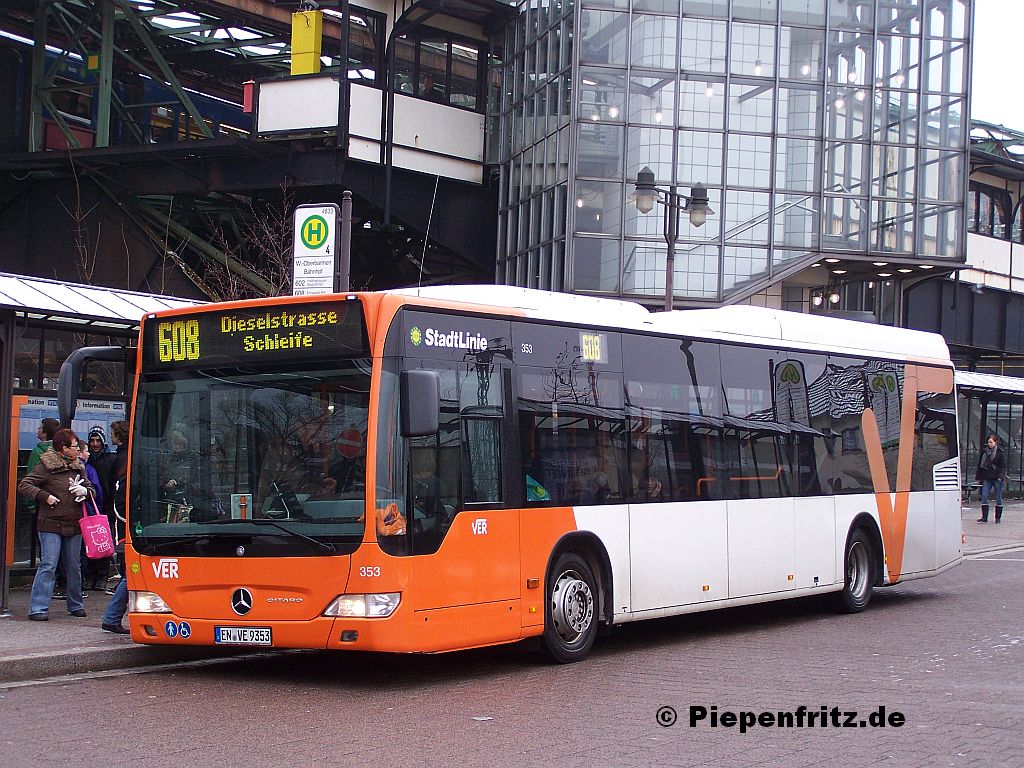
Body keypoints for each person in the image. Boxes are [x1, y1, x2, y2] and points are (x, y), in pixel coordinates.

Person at [19, 428, 93, 620]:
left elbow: (91, 488)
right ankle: (38, 608)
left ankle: (76, 605)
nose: (78, 450)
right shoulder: (46, 465)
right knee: (49, 564)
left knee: (74, 565)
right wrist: (45, 496)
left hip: (74, 522)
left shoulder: (79, 466)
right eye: (75, 446)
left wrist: (85, 492)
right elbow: (24, 485)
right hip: (50, 523)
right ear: (63, 448)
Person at [101, 420, 131, 634]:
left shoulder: (120, 458)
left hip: (122, 522)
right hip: (126, 522)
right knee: (131, 574)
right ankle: (112, 617)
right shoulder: (126, 458)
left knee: (129, 573)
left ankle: (112, 617)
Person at [976, 434, 1006, 523]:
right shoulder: (984, 452)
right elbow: (980, 465)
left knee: (998, 497)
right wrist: (979, 476)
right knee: (984, 496)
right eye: (988, 442)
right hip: (987, 476)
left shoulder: (1000, 452)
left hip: (997, 477)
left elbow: (1003, 466)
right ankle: (984, 517)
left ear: (995, 442)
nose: (989, 444)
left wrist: (1000, 477)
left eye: (991, 442)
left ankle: (998, 518)